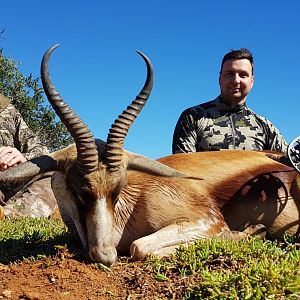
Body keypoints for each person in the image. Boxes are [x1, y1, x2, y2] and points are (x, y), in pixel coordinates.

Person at [172, 48, 288, 154]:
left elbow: (292, 162)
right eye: (230, 74)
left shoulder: (265, 126)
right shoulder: (192, 117)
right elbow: (182, 167)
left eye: (243, 75)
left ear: (252, 81)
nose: (236, 80)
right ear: (219, 78)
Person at [0, 92, 57, 219]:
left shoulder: (7, 109)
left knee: (53, 177)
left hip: (14, 183)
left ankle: (8, 215)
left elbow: (41, 151)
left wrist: (22, 157)